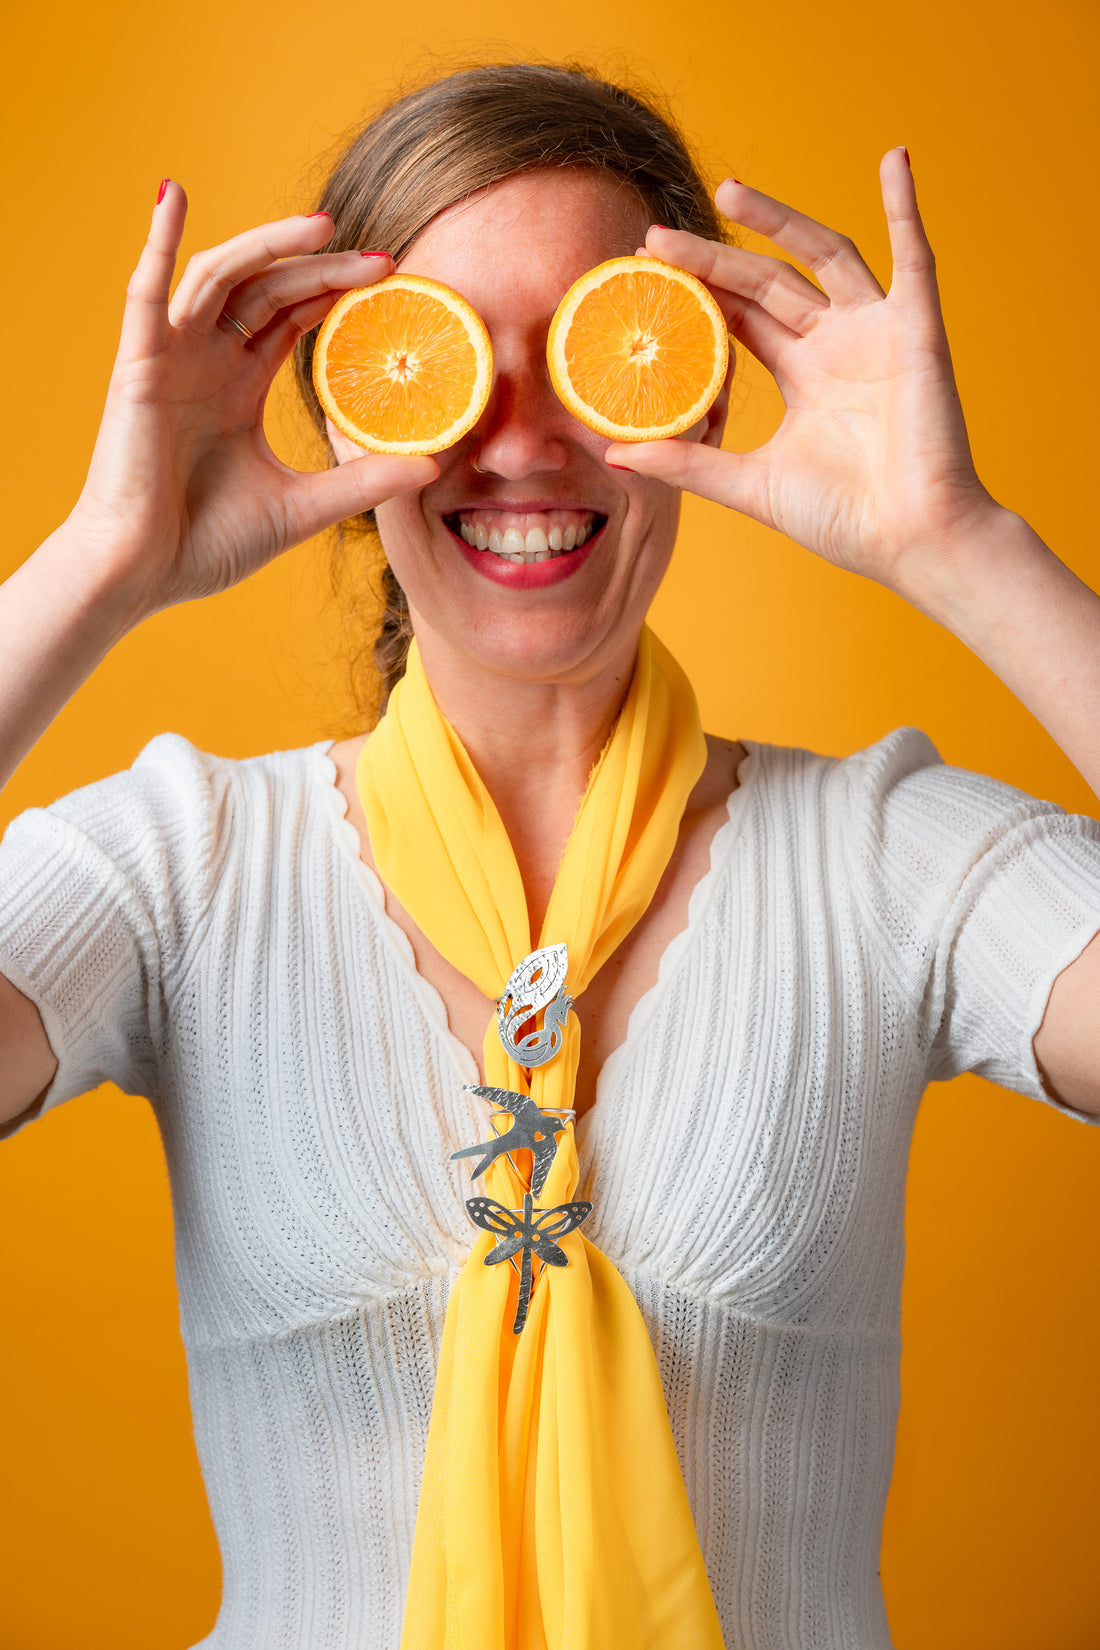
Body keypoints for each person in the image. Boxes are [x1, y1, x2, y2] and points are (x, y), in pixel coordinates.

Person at [1, 60, 1098, 1650]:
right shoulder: (183, 866)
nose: (523, 444)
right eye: (443, 361)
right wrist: (94, 568)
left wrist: (962, 545)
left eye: (598, 355)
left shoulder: (886, 861)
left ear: (699, 394)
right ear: (347, 406)